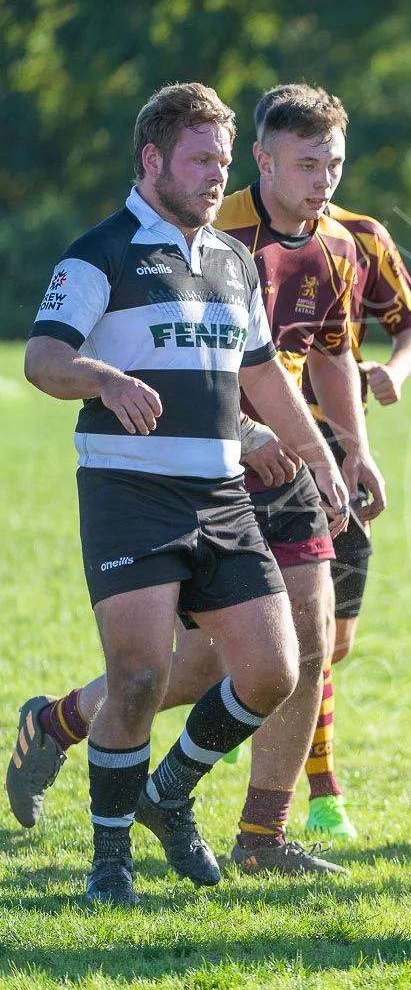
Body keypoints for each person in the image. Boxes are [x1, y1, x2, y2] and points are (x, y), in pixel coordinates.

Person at [9, 85, 377, 878]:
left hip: (221, 496)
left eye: (222, 160)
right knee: (141, 678)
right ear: (153, 160)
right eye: (201, 159)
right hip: (131, 492)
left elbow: (265, 376)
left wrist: (321, 457)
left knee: (275, 671)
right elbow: (43, 357)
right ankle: (111, 864)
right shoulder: (101, 251)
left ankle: (170, 793)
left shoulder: (230, 260)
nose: (217, 176)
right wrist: (104, 379)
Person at [246, 83, 411, 841]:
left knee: (328, 640)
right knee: (271, 645)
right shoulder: (219, 233)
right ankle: (315, 795)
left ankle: (275, 789)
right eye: (309, 164)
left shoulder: (355, 239)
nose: (325, 179)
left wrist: (362, 432)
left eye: (335, 164)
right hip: (237, 456)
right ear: (266, 159)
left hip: (324, 450)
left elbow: (400, 328)